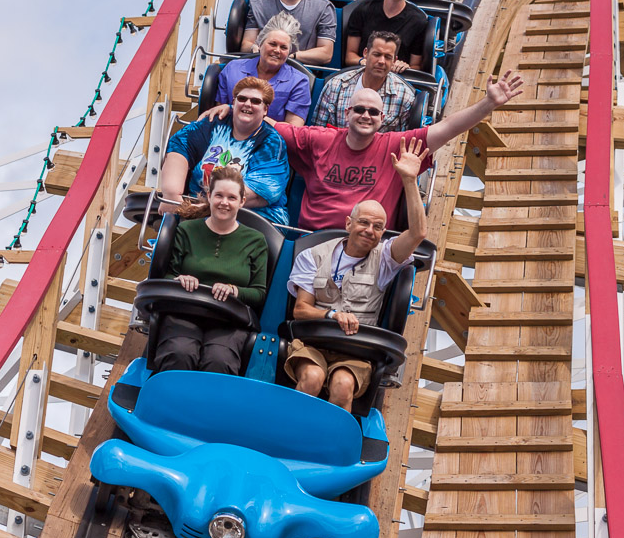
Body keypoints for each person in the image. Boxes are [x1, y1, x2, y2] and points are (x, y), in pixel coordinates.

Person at [275, 71, 523, 230]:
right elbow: (275, 127)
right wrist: (237, 109)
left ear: (382, 118)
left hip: (367, 244)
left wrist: (488, 103)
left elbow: (447, 128)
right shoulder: (321, 139)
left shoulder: (396, 145)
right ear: (347, 113)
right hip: (313, 239)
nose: (365, 116)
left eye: (373, 112)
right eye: (359, 109)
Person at [285, 138, 428, 411]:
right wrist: (332, 315)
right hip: (315, 340)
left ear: (383, 233)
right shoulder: (313, 254)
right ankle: (291, 436)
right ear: (348, 223)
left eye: (377, 227)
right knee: (312, 377)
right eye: (363, 222)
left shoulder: (385, 259)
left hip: (356, 349)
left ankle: (330, 450)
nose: (369, 230)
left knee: (342, 385)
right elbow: (301, 310)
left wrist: (409, 181)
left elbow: (418, 233)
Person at [153, 166, 268, 375]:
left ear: (242, 201)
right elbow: (167, 275)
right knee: (180, 353)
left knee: (219, 360)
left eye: (232, 197)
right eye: (219, 195)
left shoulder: (256, 240)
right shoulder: (187, 230)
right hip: (185, 312)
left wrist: (234, 290)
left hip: (228, 319)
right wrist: (180, 279)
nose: (224, 202)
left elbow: (259, 293)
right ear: (209, 196)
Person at [159, 77, 289, 225]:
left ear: (265, 109)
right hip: (196, 211)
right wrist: (171, 195)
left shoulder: (271, 142)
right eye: (242, 98)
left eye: (255, 101)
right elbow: (179, 147)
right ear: (233, 103)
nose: (247, 104)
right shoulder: (213, 123)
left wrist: (211, 206)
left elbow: (261, 192)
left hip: (252, 217)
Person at [217, 13, 311, 126]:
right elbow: (220, 113)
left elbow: (293, 131)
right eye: (272, 44)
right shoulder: (233, 69)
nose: (277, 50)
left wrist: (250, 115)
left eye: (283, 47)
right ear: (260, 45)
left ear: (289, 52)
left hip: (272, 141)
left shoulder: (299, 82)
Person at [313, 32, 415, 132]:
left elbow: (400, 141)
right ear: (365, 53)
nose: (381, 61)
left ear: (394, 60)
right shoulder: (335, 85)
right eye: (377, 54)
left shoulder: (405, 96)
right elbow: (318, 133)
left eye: (388, 57)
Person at [344, 0, 428, 69]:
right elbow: (350, 56)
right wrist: (364, 61)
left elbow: (416, 65)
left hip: (397, 78)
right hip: (363, 71)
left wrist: (405, 67)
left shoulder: (418, 21)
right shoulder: (363, 9)